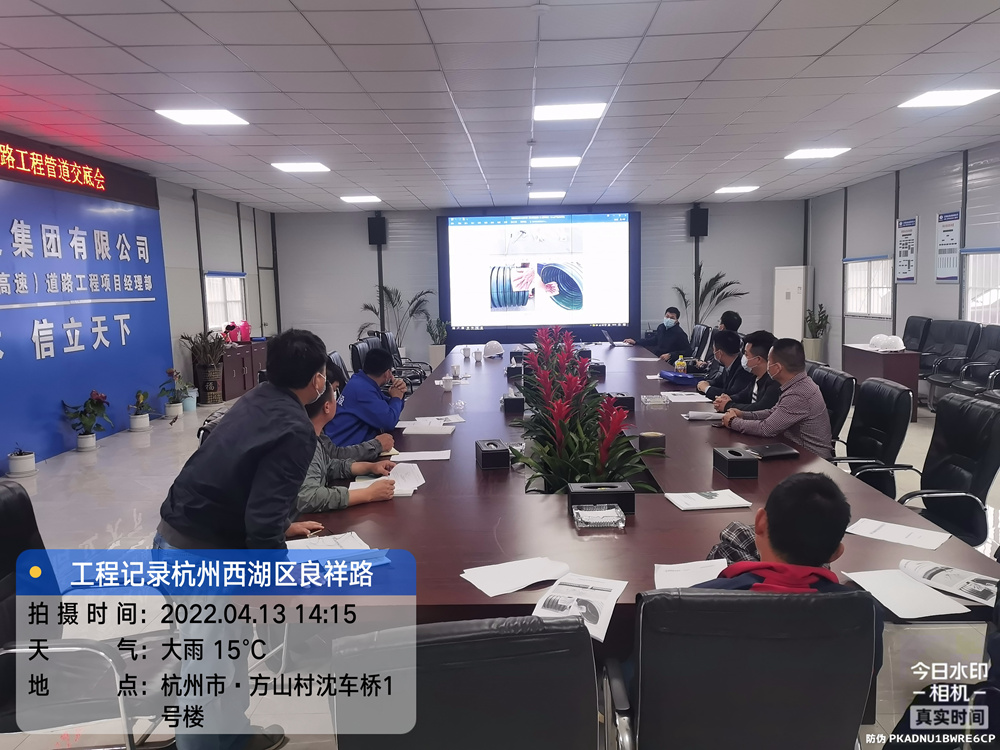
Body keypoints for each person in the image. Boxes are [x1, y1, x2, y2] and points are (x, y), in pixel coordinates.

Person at [154, 328, 331, 750]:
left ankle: (233, 736)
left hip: (185, 542)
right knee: (207, 674)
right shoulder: (295, 427)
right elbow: (262, 520)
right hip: (199, 557)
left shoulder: (257, 398)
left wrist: (280, 528)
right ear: (318, 380)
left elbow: (244, 482)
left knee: (229, 654)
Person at [696, 472, 883, 674]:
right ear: (836, 553)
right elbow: (867, 678)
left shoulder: (698, 601)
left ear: (760, 522)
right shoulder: (865, 611)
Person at [297, 363, 396, 513]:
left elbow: (330, 466)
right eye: (335, 394)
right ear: (327, 407)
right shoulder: (304, 444)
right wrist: (368, 494)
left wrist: (370, 467)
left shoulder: (315, 436)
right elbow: (309, 497)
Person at [721, 338, 833, 459]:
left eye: (769, 361)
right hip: (792, 449)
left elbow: (766, 429)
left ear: (778, 368)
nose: (767, 365)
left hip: (811, 459)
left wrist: (733, 422)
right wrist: (743, 414)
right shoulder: (798, 384)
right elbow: (773, 412)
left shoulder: (799, 394)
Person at [326, 347, 407, 446]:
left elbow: (386, 408)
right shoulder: (362, 390)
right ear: (387, 373)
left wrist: (399, 395)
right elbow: (389, 422)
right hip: (343, 449)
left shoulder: (361, 381)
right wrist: (396, 398)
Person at [713, 330, 780, 414]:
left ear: (758, 359)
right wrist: (727, 399)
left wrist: (728, 406)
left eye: (746, 354)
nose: (743, 358)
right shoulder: (755, 377)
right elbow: (742, 396)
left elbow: (760, 408)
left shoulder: (774, 382)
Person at [696, 329, 753, 398]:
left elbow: (733, 394)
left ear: (719, 353)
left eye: (713, 349)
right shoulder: (730, 364)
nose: (713, 352)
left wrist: (707, 389)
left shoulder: (743, 369)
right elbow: (719, 382)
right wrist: (707, 383)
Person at [623, 306, 691, 362]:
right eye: (667, 316)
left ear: (676, 320)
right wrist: (636, 342)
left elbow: (688, 351)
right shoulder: (661, 327)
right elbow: (653, 340)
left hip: (669, 362)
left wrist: (670, 355)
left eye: (672, 318)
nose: (668, 319)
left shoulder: (680, 333)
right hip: (657, 358)